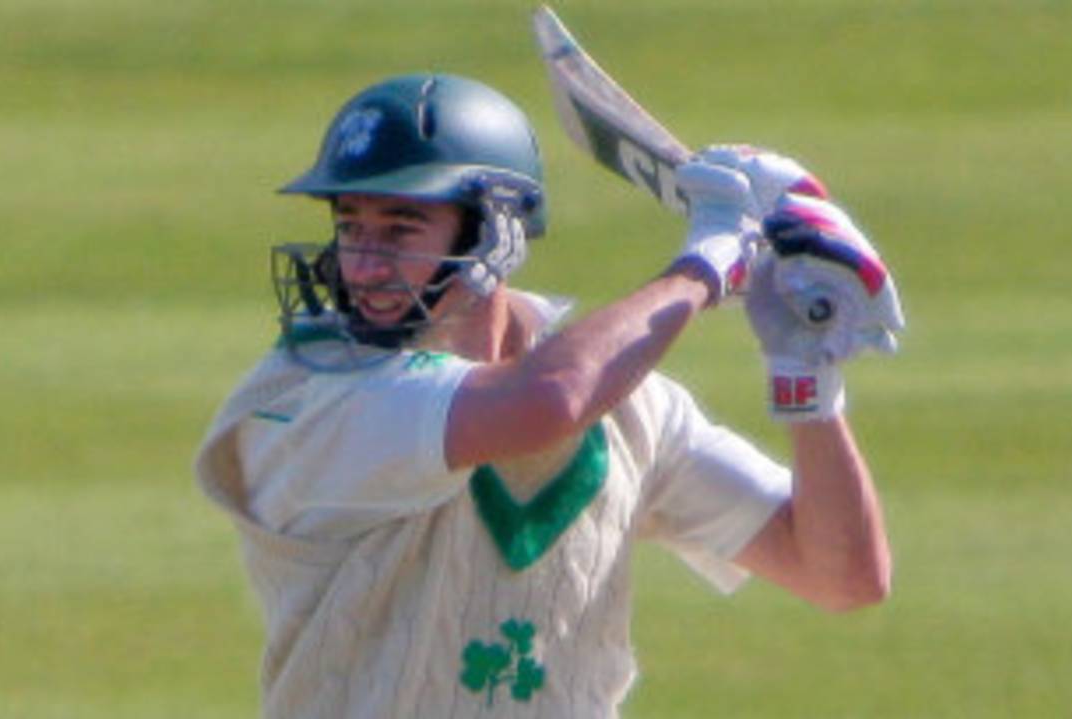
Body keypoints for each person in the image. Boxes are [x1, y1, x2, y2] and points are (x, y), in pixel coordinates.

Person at [195, 73, 905, 717]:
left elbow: (842, 573)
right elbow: (549, 402)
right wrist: (708, 263)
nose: (365, 263)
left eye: (401, 228)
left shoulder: (630, 407)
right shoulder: (310, 394)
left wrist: (806, 378)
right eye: (351, 226)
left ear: (497, 230)